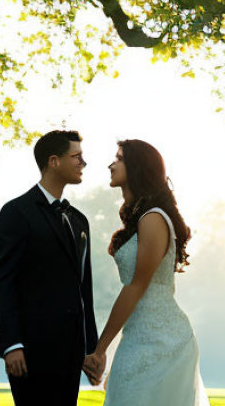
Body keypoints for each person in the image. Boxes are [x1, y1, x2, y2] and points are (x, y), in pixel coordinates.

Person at [84, 139, 210, 405]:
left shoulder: (153, 218)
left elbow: (136, 286)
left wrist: (100, 349)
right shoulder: (140, 218)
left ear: (137, 167)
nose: (111, 164)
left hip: (165, 343)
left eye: (118, 158)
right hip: (137, 337)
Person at [0, 129, 99, 405]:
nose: (83, 163)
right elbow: (5, 283)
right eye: (76, 156)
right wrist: (12, 344)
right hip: (30, 350)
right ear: (53, 161)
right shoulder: (16, 213)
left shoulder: (79, 220)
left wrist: (91, 348)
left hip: (72, 350)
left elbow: (83, 289)